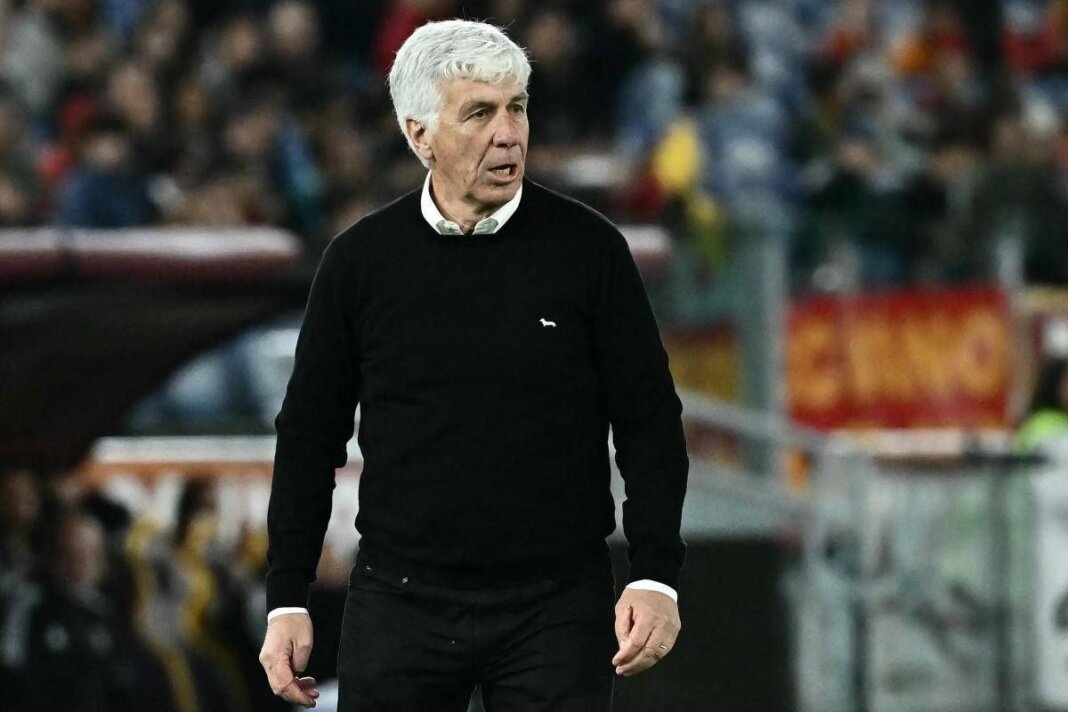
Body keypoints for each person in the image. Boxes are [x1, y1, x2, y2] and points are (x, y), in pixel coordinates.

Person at [258, 19, 688, 711]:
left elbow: (650, 422)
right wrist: (287, 596)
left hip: (557, 602)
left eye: (517, 107)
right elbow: (309, 436)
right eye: (480, 113)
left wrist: (655, 574)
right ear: (419, 134)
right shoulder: (359, 263)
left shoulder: (590, 250)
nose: (508, 133)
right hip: (400, 600)